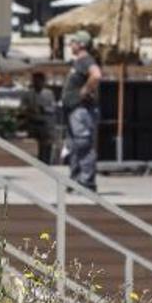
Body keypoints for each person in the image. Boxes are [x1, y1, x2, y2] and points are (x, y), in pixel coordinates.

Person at [60, 31, 101, 191]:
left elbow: (96, 75)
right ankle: (75, 178)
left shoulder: (86, 60)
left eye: (73, 42)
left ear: (81, 44)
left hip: (80, 110)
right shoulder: (78, 61)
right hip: (73, 109)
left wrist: (84, 91)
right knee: (73, 145)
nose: (71, 45)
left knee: (83, 144)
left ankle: (87, 180)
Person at [21, 71, 59, 164]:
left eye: (38, 80)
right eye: (34, 80)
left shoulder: (48, 93)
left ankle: (46, 161)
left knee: (46, 144)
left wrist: (43, 109)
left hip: (46, 123)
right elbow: (22, 107)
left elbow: (53, 108)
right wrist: (28, 110)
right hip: (33, 122)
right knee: (36, 144)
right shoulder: (28, 93)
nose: (36, 82)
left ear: (43, 81)